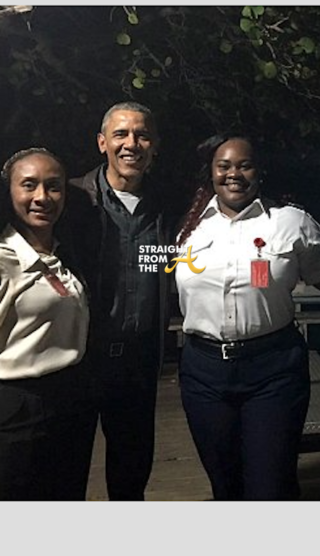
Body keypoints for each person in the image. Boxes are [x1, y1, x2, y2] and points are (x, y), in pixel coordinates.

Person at [173, 132, 320, 500]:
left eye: (244, 165)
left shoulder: (291, 221)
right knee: (225, 485)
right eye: (224, 166)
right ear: (211, 172)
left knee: (271, 485)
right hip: (204, 372)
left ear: (259, 171)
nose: (234, 174)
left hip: (273, 369)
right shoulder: (188, 226)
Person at [66, 101, 175, 501]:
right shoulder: (72, 200)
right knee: (65, 475)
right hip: (79, 362)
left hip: (137, 364)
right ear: (102, 143)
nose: (132, 144)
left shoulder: (169, 205)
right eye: (121, 134)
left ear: (155, 145)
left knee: (131, 478)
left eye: (142, 135)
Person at [0, 148, 95, 500]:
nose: (42, 197)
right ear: (9, 192)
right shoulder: (4, 261)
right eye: (29, 185)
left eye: (53, 186)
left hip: (70, 401)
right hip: (17, 410)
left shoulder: (62, 255)